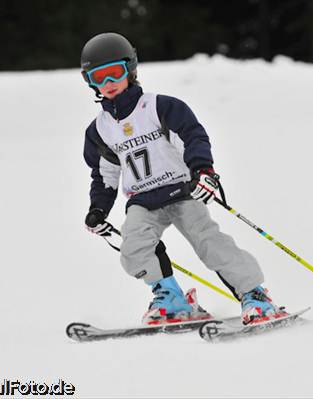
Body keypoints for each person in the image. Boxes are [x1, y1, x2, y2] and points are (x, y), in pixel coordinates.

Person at [81, 32, 281, 325]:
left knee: (209, 242)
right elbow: (104, 174)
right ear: (90, 82)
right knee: (133, 248)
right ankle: (172, 298)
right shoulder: (99, 130)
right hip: (142, 200)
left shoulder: (160, 107)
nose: (108, 83)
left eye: (115, 73)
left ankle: (255, 296)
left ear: (131, 70)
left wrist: (203, 171)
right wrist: (97, 209)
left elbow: (192, 137)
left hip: (181, 190)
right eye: (99, 77)